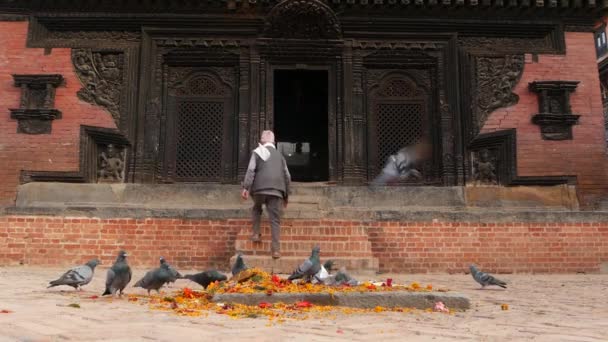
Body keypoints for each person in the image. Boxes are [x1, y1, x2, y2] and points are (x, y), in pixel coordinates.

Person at [241, 130, 291, 259]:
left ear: (262, 141)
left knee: (257, 209)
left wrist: (246, 188)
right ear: (274, 142)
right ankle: (276, 250)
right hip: (277, 191)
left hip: (259, 189)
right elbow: (287, 176)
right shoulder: (280, 156)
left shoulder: (257, 152)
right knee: (275, 219)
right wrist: (286, 196)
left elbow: (251, 170)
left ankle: (256, 234)